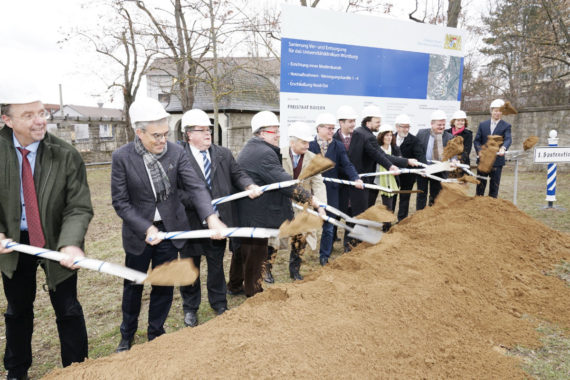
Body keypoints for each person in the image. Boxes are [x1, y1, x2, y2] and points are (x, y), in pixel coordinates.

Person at [111, 97, 226, 352]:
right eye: (156, 135)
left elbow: (195, 186)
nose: (162, 140)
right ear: (138, 132)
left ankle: (156, 333)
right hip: (139, 233)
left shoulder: (176, 152)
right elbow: (120, 202)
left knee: (163, 285)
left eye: (165, 134)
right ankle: (127, 335)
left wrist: (211, 217)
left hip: (170, 230)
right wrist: (146, 228)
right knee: (134, 286)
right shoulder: (122, 157)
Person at [0, 83, 93, 379]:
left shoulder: (65, 154)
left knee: (68, 309)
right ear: (7, 119)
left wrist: (70, 243)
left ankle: (77, 369)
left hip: (56, 240)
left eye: (42, 112)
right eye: (28, 115)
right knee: (17, 311)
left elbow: (78, 206)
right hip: (14, 245)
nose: (40, 120)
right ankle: (16, 372)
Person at [178, 109, 260, 327]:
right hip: (190, 222)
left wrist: (248, 184)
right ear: (188, 134)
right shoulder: (177, 156)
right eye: (202, 130)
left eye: (209, 130)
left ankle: (219, 303)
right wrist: (199, 204)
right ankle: (190, 307)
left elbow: (238, 173)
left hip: (219, 222)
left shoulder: (223, 154)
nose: (208, 134)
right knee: (190, 266)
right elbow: (176, 191)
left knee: (216, 265)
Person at [227, 111, 323, 297]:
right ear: (262, 133)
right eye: (274, 131)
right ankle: (254, 292)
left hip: (247, 212)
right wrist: (311, 199)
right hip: (255, 214)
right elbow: (285, 182)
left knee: (242, 250)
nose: (278, 134)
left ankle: (235, 285)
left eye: (278, 130)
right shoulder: (263, 153)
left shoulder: (254, 148)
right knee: (256, 253)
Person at [333, 105, 417, 251]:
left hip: (359, 182)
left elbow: (379, 154)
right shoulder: (336, 137)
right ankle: (335, 241)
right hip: (341, 182)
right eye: (377, 121)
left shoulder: (361, 135)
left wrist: (393, 165)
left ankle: (352, 244)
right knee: (340, 212)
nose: (353, 124)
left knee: (358, 214)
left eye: (354, 120)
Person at [308, 113, 363, 266]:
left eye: (333, 128)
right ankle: (296, 258)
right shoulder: (310, 146)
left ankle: (324, 256)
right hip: (311, 191)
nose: (331, 131)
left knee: (329, 226)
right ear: (319, 128)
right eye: (328, 128)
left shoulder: (337, 146)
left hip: (331, 191)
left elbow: (346, 164)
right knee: (306, 226)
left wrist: (355, 178)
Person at [282, 122, 327, 279]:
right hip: (282, 202)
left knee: (301, 236)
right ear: (292, 142)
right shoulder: (279, 155)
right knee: (274, 237)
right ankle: (266, 268)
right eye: (304, 142)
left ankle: (295, 268)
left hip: (303, 204)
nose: (308, 145)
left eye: (308, 142)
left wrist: (320, 206)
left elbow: (318, 184)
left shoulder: (313, 158)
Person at [474, 99, 512, 198]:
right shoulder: (483, 125)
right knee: (480, 186)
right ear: (491, 111)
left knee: (494, 187)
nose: (497, 113)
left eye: (500, 111)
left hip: (497, 161)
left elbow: (508, 139)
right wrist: (479, 151)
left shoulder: (506, 126)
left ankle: (492, 208)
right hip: (483, 160)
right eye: (495, 110)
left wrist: (503, 148)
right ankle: (478, 206)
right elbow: (477, 140)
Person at [416, 110, 453, 210]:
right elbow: (416, 151)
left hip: (438, 171)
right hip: (423, 170)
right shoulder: (421, 133)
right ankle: (419, 215)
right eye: (439, 124)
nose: (442, 127)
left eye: (443, 124)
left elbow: (453, 153)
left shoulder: (449, 137)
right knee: (421, 195)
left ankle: (432, 216)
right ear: (432, 124)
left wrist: (454, 161)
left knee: (435, 196)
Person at [393, 114, 423, 221]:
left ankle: (401, 221)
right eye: (403, 127)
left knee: (405, 198)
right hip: (393, 175)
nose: (406, 130)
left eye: (408, 127)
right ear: (397, 127)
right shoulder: (390, 138)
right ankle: (387, 221)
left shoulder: (414, 140)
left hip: (408, 176)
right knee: (391, 198)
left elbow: (419, 157)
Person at [375, 124, 400, 231]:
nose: (389, 137)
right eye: (386, 135)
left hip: (391, 180)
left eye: (391, 135)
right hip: (376, 180)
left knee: (388, 204)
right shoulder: (376, 149)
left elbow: (399, 161)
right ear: (381, 136)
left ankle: (386, 226)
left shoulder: (395, 149)